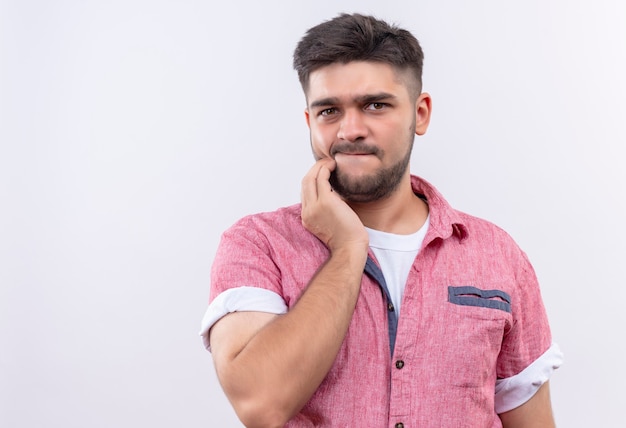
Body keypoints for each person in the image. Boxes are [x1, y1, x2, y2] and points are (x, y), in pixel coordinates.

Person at [200, 13, 562, 428]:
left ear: (420, 113)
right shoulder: (258, 244)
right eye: (329, 110)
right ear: (309, 122)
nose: (350, 130)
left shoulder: (498, 254)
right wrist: (349, 249)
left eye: (376, 105)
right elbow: (260, 404)